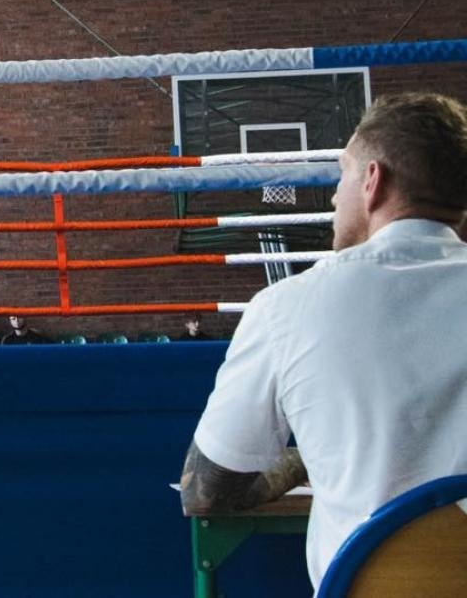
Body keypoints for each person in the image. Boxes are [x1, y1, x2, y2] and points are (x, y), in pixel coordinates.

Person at [181, 93, 467, 592]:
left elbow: (204, 492)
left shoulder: (286, 308)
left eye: (342, 175)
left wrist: (301, 461)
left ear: (373, 182)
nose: (335, 196)